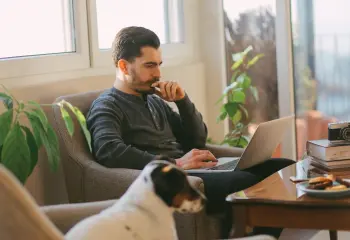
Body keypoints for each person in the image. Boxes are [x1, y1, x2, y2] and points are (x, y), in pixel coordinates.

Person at [86, 26, 294, 238]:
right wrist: (174, 165)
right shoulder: (107, 105)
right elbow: (108, 150)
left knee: (281, 166)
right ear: (123, 65)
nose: (158, 73)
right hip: (175, 178)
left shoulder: (154, 102)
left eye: (158, 65)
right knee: (241, 183)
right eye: (149, 65)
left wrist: (182, 101)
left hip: (194, 170)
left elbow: (197, 140)